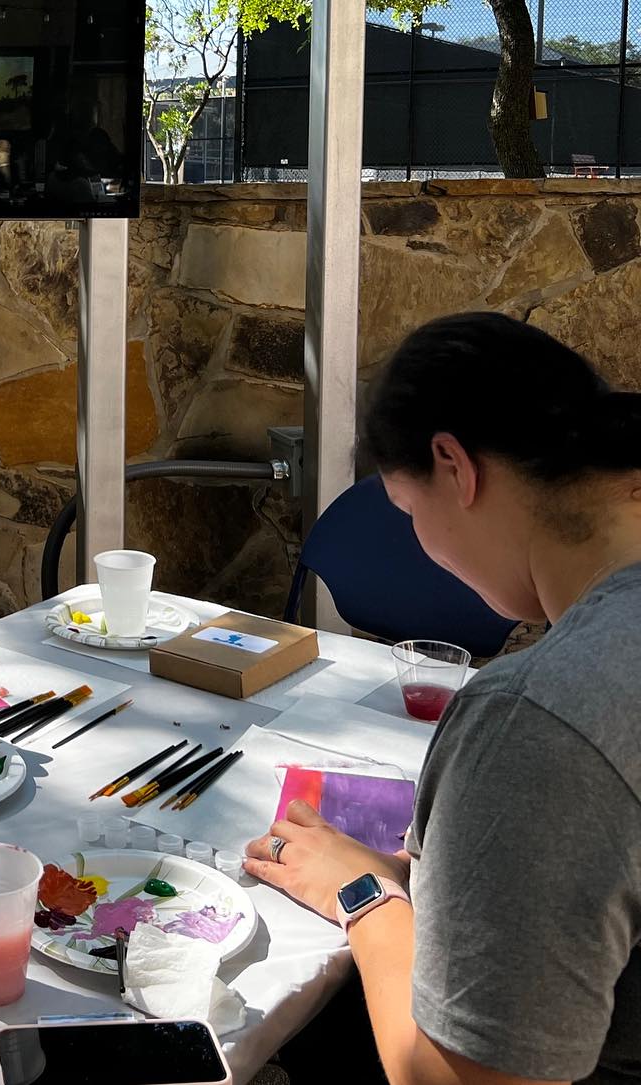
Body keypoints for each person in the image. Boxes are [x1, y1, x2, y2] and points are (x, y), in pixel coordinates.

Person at [245, 312, 641, 1085]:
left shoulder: (541, 716)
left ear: (455, 467)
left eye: (407, 513)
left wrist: (361, 894)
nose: (418, 543)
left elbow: (451, 1078)